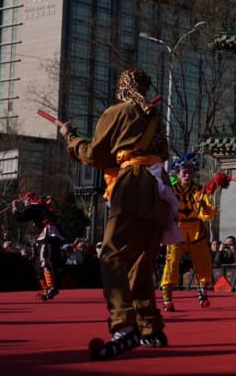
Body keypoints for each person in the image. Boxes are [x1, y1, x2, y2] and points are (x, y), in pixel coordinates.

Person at [60, 67, 173, 360]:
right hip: (159, 186)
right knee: (140, 262)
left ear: (121, 89)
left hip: (133, 183)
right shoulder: (154, 117)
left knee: (110, 255)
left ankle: (124, 325)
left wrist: (71, 140)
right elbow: (161, 152)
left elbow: (96, 156)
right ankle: (149, 328)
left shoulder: (118, 111)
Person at [159, 153, 216, 311]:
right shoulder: (171, 190)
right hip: (177, 230)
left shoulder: (199, 190)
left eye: (189, 170)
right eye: (183, 170)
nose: (186, 173)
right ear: (177, 173)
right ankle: (167, 297)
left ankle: (203, 291)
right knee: (171, 263)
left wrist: (203, 205)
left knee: (204, 263)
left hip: (196, 231)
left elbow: (208, 213)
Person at [12, 191, 66, 300]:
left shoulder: (34, 206)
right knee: (38, 265)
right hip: (47, 234)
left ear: (29, 199)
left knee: (44, 258)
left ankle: (51, 287)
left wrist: (14, 207)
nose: (25, 204)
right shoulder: (40, 206)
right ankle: (46, 290)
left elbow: (20, 218)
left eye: (25, 201)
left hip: (48, 233)